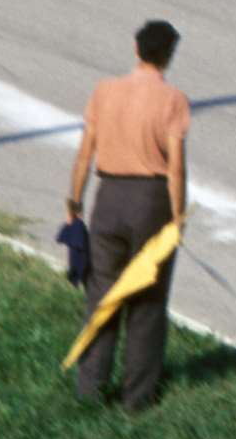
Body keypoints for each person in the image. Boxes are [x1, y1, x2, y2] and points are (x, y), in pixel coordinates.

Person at [66, 20, 190, 412]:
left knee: (102, 296)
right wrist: (177, 219)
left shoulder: (105, 91)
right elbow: (176, 168)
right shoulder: (173, 100)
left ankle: (90, 388)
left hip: (108, 198)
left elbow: (85, 154)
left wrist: (74, 202)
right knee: (147, 302)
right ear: (169, 56)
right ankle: (137, 397)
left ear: (136, 49)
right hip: (151, 202)